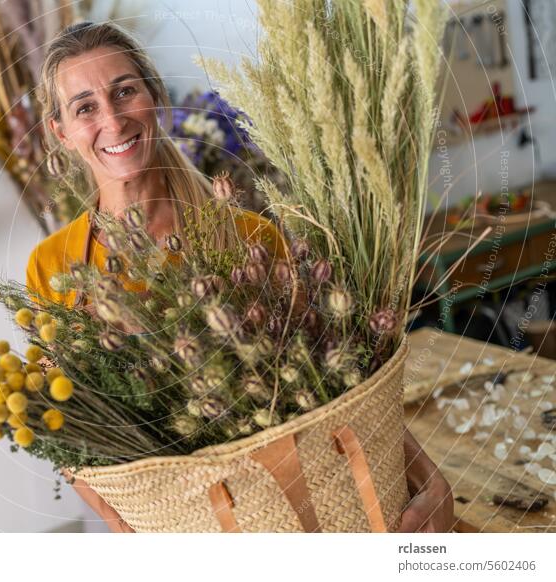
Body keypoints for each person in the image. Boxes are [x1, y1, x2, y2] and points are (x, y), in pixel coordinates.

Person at [26, 21, 453, 533]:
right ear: (62, 132)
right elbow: (70, 430)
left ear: (155, 98)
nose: (113, 120)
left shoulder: (248, 238)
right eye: (85, 107)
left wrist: (427, 476)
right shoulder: (51, 268)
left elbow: (345, 380)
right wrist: (129, 531)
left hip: (290, 510)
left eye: (124, 91)